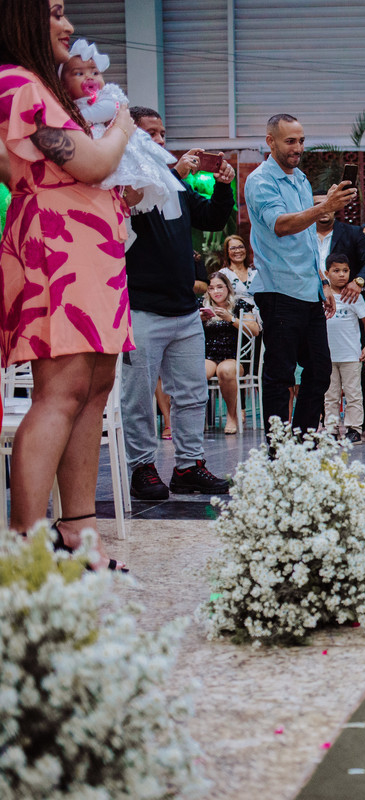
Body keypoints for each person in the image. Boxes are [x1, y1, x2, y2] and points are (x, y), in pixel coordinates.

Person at [1, 0, 137, 569]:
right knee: (61, 389)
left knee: (94, 385)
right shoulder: (16, 82)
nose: (69, 24)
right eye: (56, 11)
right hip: (56, 244)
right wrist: (124, 123)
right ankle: (25, 548)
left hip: (92, 244)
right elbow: (95, 163)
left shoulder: (44, 85)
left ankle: (79, 533)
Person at [121, 104, 234, 500]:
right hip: (141, 307)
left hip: (184, 308)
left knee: (191, 394)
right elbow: (125, 213)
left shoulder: (176, 185)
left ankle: (188, 466)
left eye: (163, 134)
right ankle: (142, 467)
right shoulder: (124, 180)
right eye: (150, 133)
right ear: (130, 136)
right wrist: (175, 172)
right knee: (138, 398)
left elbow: (211, 218)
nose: (160, 140)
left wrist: (223, 186)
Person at [244, 113, 355, 435]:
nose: (298, 148)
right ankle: (278, 448)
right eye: (290, 141)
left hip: (309, 289)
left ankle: (304, 440)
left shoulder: (301, 179)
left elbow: (306, 238)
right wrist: (325, 207)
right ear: (271, 142)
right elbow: (281, 225)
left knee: (319, 370)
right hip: (278, 289)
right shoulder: (261, 181)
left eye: (301, 141)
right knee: (280, 374)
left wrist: (323, 282)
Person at [59, 39, 182, 227]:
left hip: (109, 148)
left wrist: (77, 118)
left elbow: (108, 109)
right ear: (62, 83)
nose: (89, 77)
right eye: (79, 73)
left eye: (95, 72)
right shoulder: (61, 107)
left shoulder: (106, 96)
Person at [313, 190, 365, 443]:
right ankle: (326, 426)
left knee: (356, 379)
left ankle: (363, 425)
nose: (324, 208)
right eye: (317, 204)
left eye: (327, 203)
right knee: (323, 379)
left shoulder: (351, 233)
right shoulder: (302, 232)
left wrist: (358, 282)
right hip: (313, 303)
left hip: (350, 298)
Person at [322, 253, 365, 443]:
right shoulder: (322, 296)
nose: (342, 274)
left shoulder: (353, 296)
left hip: (351, 355)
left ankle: (354, 429)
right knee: (330, 395)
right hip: (328, 355)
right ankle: (331, 428)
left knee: (353, 394)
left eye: (345, 270)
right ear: (327, 273)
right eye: (336, 271)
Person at [202, 273, 259, 434]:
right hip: (208, 356)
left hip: (234, 357)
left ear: (228, 288)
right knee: (197, 372)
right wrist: (199, 319)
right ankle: (197, 418)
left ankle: (232, 415)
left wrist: (231, 319)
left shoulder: (239, 305)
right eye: (211, 288)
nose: (216, 291)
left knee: (225, 371)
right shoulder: (202, 305)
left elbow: (254, 330)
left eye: (220, 287)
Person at [218, 234, 256, 306]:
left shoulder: (255, 273)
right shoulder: (222, 275)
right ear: (227, 252)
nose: (238, 251)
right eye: (233, 248)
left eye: (241, 247)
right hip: (232, 312)